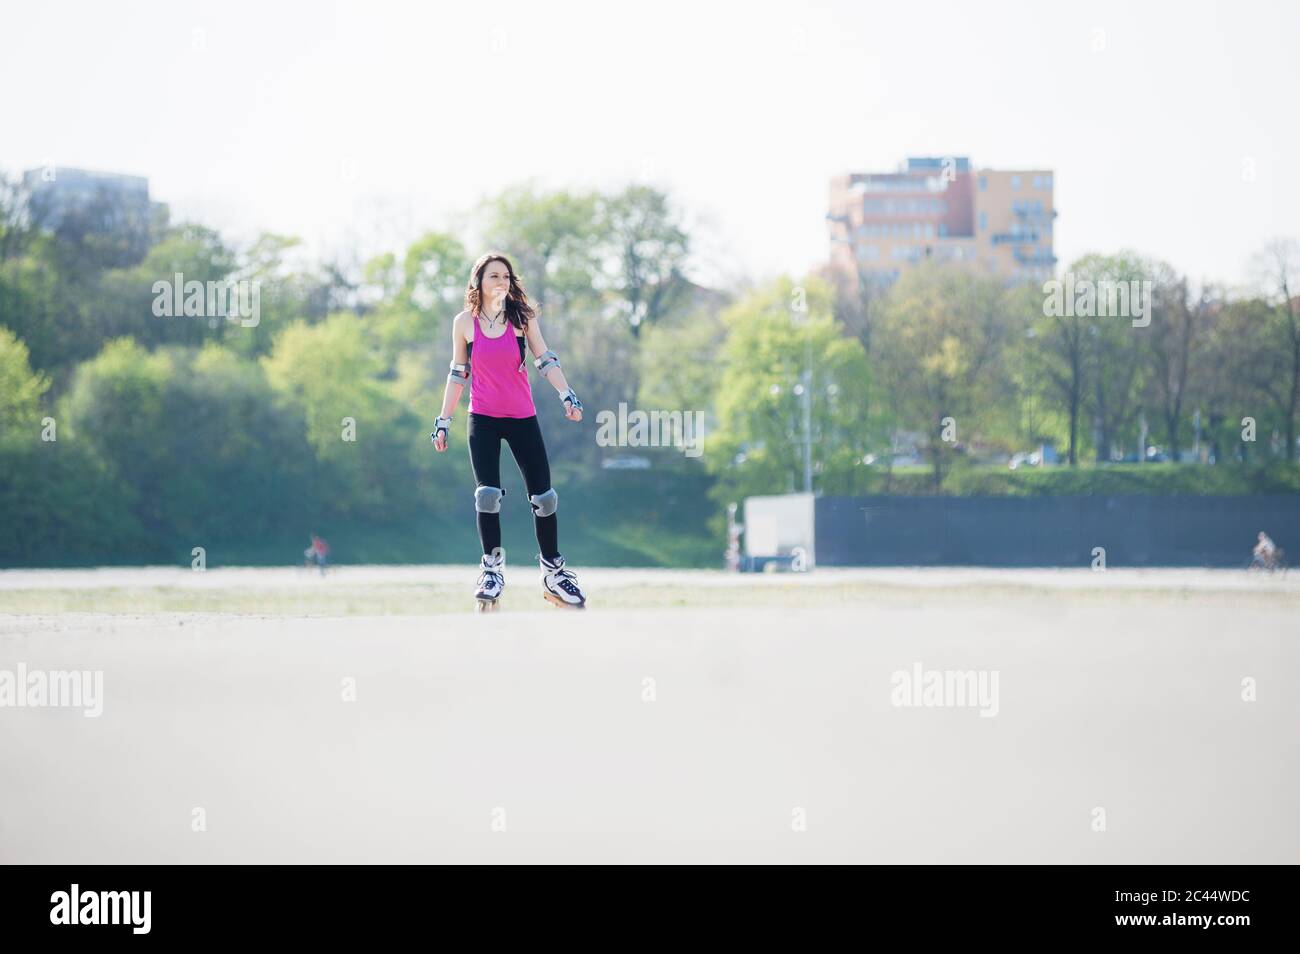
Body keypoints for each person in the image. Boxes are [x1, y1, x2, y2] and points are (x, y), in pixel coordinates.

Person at [431, 252, 587, 610]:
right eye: (493, 276)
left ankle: (554, 574)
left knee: (544, 498)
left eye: (505, 276)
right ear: (479, 283)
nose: (500, 282)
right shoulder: (464, 324)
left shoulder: (523, 318)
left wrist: (567, 394)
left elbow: (545, 359)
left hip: (522, 417)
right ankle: (491, 569)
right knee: (487, 494)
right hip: (482, 417)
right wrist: (444, 420)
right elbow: (458, 374)